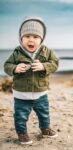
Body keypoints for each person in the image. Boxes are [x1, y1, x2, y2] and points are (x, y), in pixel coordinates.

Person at [4, 16, 59, 145]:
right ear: (21, 38)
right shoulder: (17, 53)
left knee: (44, 113)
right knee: (21, 116)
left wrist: (44, 66)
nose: (31, 40)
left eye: (35, 37)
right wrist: (15, 68)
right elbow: (7, 66)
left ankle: (45, 129)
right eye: (27, 36)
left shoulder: (47, 51)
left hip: (41, 92)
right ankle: (22, 133)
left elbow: (55, 63)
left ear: (41, 39)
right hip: (21, 94)